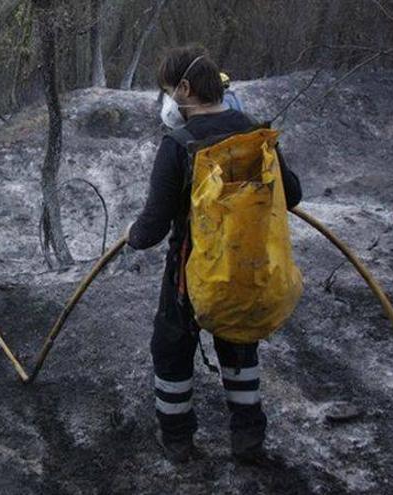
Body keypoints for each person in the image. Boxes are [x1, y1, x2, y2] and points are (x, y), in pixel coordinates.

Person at [128, 46, 302, 464]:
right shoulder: (254, 134)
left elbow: (152, 229)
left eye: (169, 92)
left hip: (191, 277)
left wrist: (133, 235)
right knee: (240, 346)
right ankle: (247, 440)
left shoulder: (178, 145)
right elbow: (292, 194)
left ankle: (178, 442)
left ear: (186, 89)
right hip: (246, 270)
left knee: (170, 350)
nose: (168, 103)